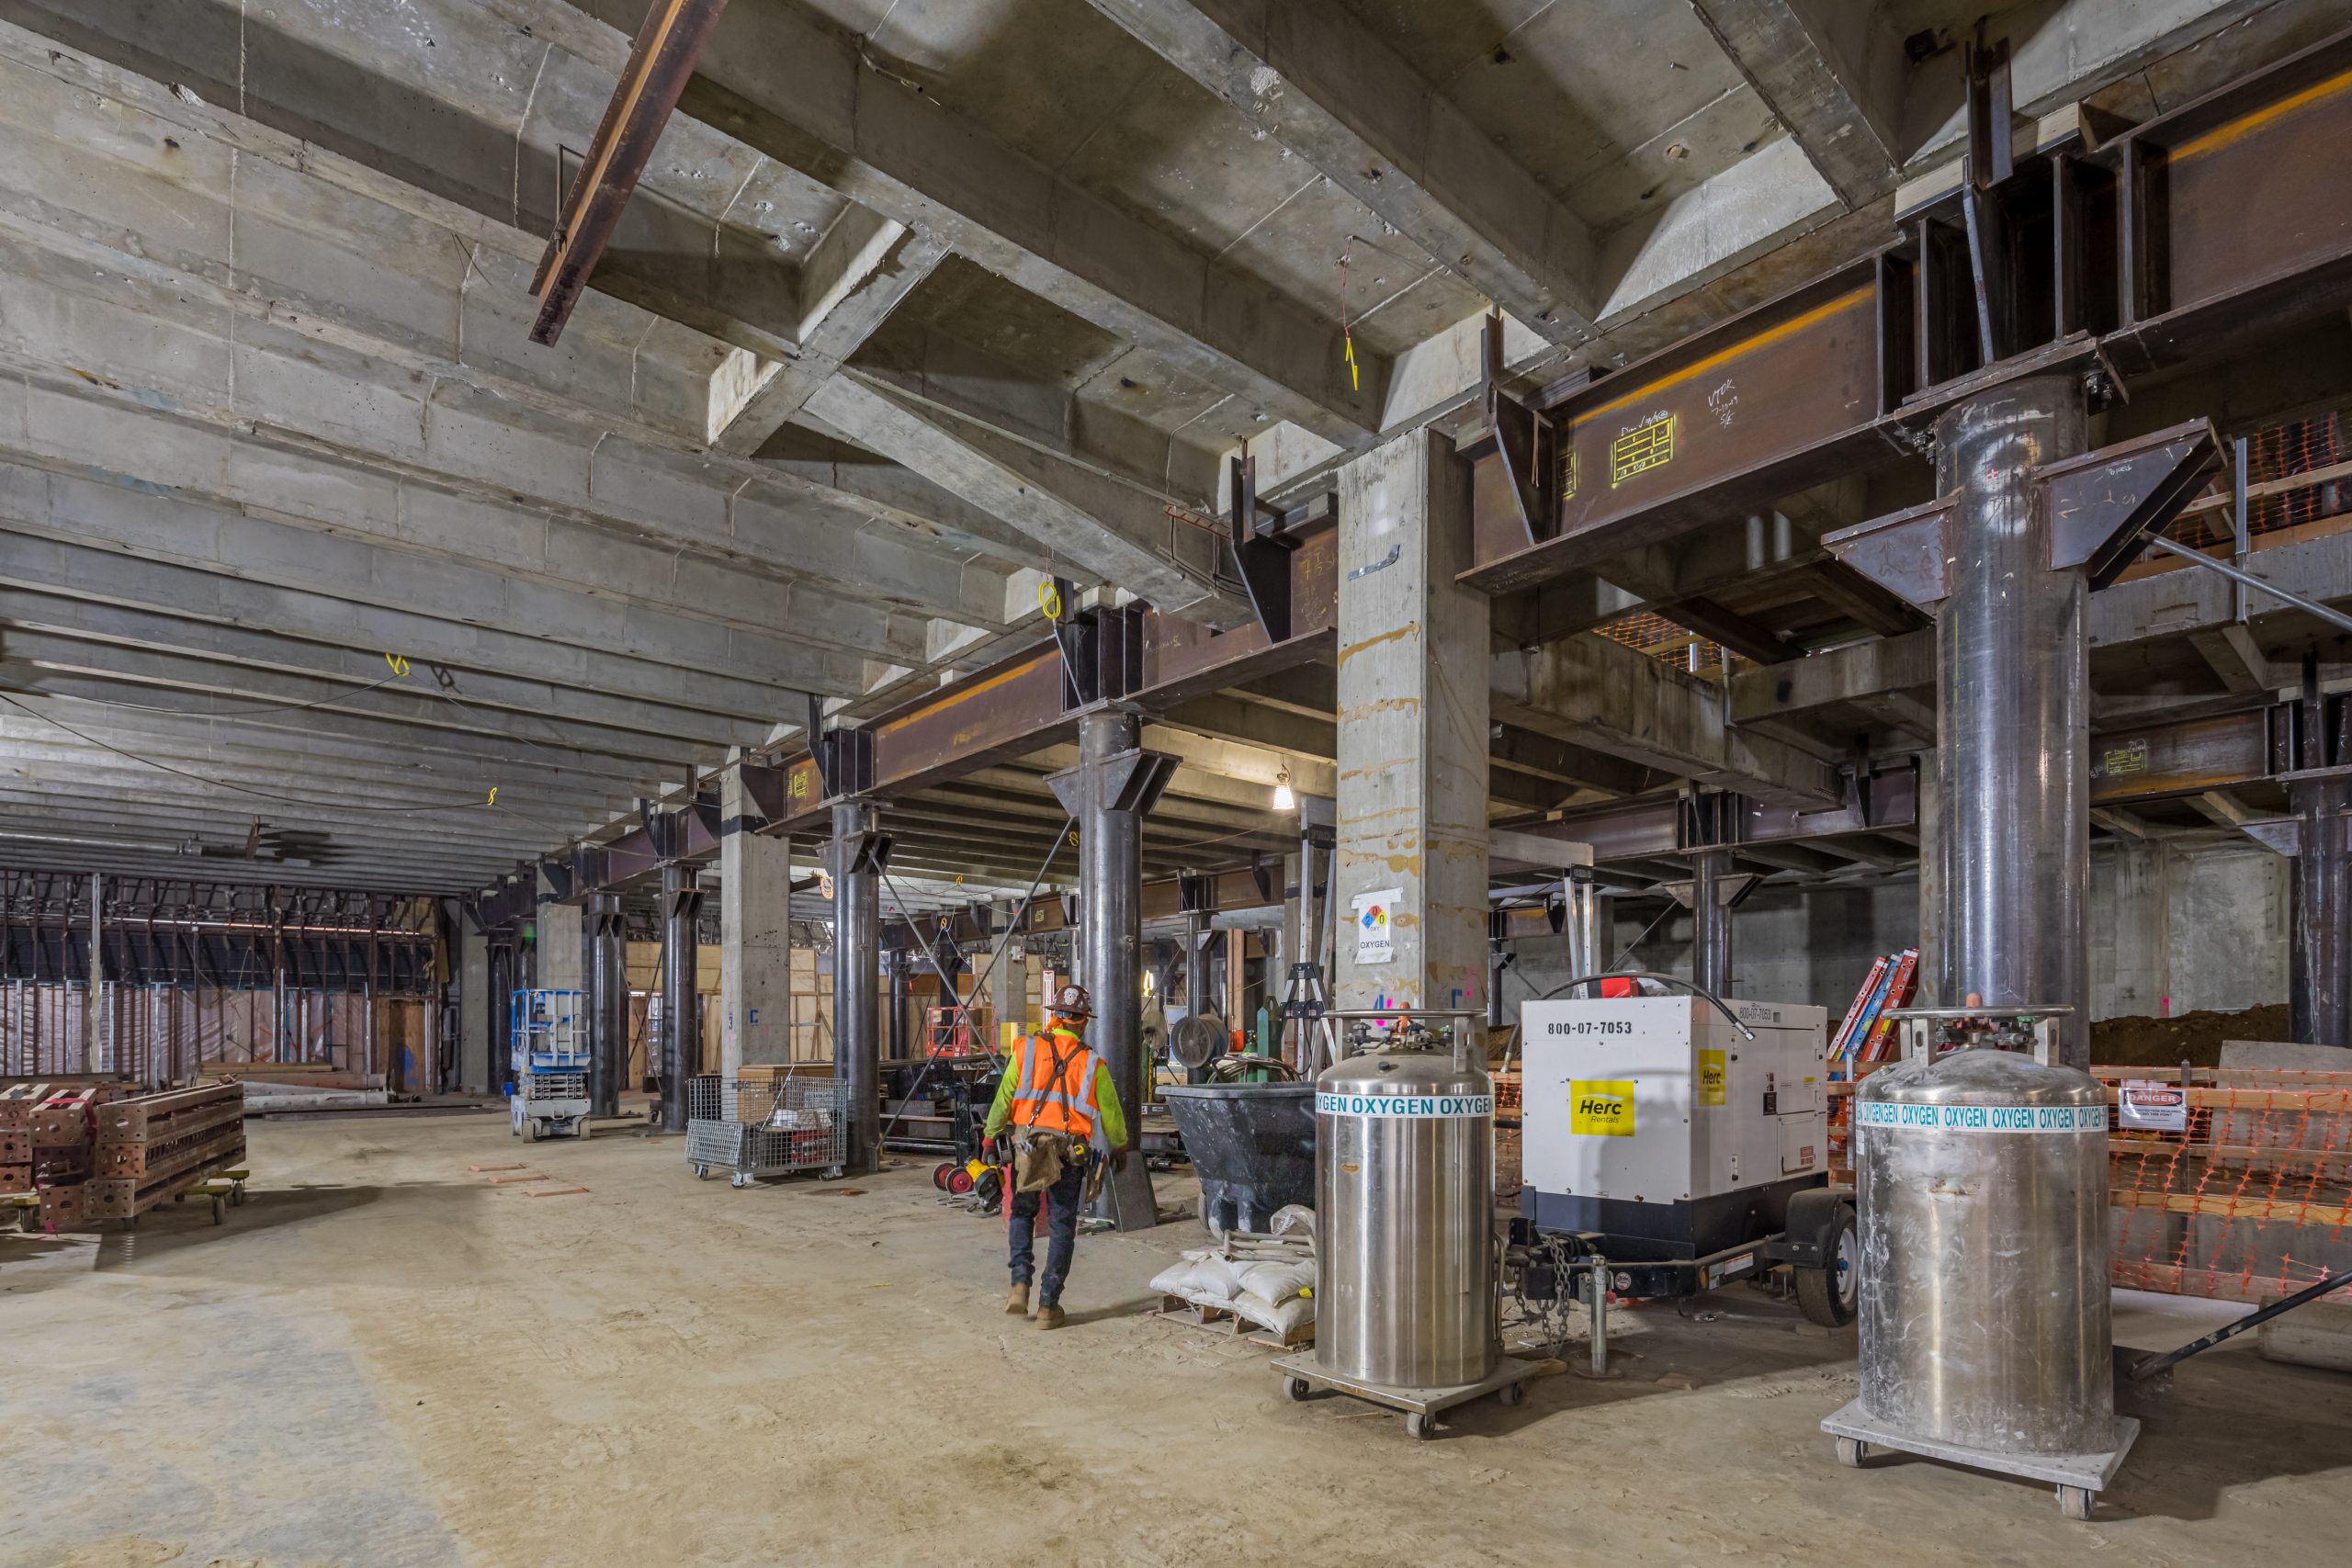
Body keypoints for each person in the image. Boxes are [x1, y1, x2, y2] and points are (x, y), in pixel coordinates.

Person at [983, 982, 1128, 1330]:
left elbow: (1003, 1098)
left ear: (1055, 1017)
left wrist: (990, 1137)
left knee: (1022, 1212)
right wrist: (1119, 1146)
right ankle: (1049, 1306)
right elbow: (1111, 1111)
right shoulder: (1093, 1063)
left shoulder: (1026, 1050)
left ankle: (1020, 1284)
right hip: (1069, 1151)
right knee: (1062, 1225)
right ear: (1082, 1021)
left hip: (1029, 1147)